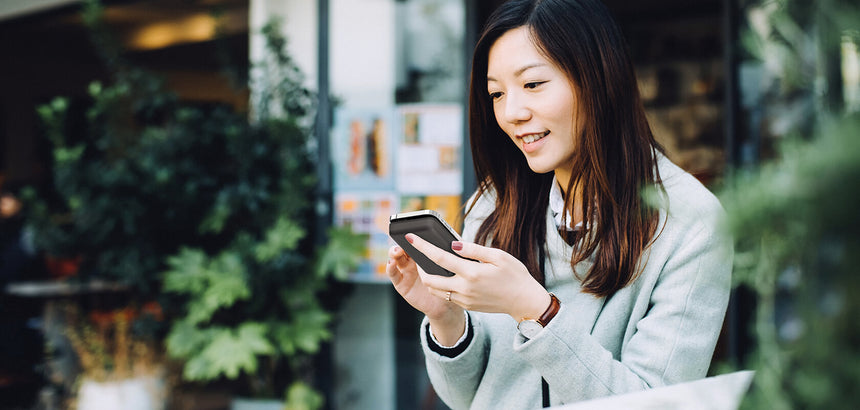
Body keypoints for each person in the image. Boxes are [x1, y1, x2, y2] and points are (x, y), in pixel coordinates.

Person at [385, 0, 733, 408]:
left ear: (598, 80)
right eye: (496, 93)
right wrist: (446, 320)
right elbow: (469, 397)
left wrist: (535, 310)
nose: (511, 112)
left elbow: (654, 405)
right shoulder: (494, 204)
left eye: (532, 84)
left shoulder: (690, 223)